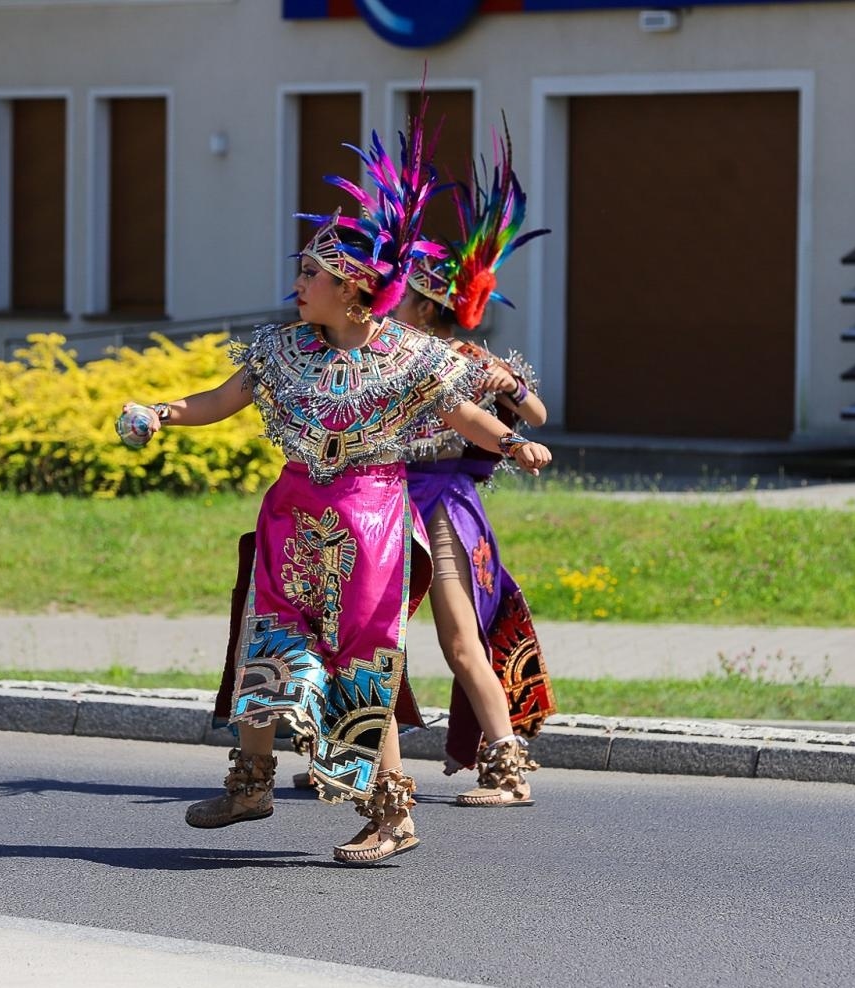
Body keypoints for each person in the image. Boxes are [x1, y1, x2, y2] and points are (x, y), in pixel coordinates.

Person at [118, 113, 552, 864]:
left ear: (351, 290)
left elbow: (464, 415)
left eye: (311, 275)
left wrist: (512, 442)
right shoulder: (282, 349)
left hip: (370, 519)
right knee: (270, 640)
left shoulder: (412, 356)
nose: (297, 284)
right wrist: (163, 412)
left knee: (362, 658)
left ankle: (391, 812)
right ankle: (250, 785)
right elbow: (220, 400)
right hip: (292, 513)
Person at [398, 118, 558, 806]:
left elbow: (535, 414)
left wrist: (508, 390)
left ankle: (508, 768)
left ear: (423, 308)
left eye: (398, 298)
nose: (386, 306)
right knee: (360, 638)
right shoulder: (374, 356)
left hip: (438, 508)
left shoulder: (460, 358)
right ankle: (354, 760)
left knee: (461, 639)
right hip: (377, 499)